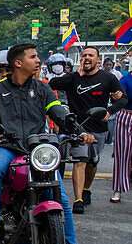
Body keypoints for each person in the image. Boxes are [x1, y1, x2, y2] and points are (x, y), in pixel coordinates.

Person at [0, 43, 92, 244]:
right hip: (7, 146)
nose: (38, 60)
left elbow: (57, 111)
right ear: (18, 63)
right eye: (33, 57)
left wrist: (75, 129)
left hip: (37, 149)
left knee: (61, 195)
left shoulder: (43, 88)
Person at [48, 46, 124, 212]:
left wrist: (109, 111)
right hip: (77, 128)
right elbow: (52, 83)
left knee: (92, 162)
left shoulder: (108, 78)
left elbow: (122, 98)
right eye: (84, 55)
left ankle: (86, 189)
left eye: (91, 55)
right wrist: (76, 74)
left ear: (98, 60)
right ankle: (78, 199)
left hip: (99, 128)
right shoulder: (73, 78)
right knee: (80, 161)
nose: (87, 58)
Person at [111, 70, 132, 203]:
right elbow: (118, 96)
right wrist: (114, 96)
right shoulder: (125, 79)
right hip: (125, 116)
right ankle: (118, 189)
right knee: (122, 155)